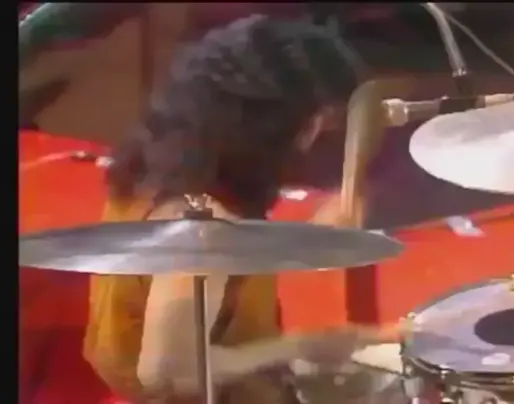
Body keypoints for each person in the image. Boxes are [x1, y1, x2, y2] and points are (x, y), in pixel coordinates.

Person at [83, 15, 367, 402]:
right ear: (274, 129)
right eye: (318, 119)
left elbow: (209, 274)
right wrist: (301, 346)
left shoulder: (157, 161)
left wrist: (304, 240)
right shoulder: (202, 226)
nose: (318, 131)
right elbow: (168, 373)